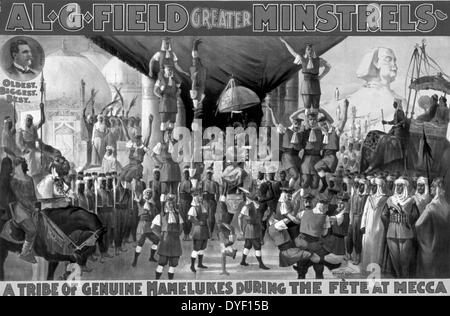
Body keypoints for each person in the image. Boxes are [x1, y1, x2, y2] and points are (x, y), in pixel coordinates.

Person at [381, 176, 420, 278]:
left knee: (404, 259)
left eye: (401, 186)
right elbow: (383, 215)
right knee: (395, 258)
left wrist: (407, 221)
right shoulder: (390, 200)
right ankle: (398, 278)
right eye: (397, 186)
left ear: (405, 187)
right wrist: (389, 224)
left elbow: (416, 215)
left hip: (406, 232)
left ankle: (404, 278)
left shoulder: (411, 200)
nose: (398, 188)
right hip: (392, 232)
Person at [280, 39, 331, 115]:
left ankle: (315, 125)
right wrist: (285, 42)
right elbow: (293, 52)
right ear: (306, 51)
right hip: (306, 86)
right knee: (307, 108)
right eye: (308, 49)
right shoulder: (302, 59)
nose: (310, 51)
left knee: (316, 108)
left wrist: (321, 76)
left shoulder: (318, 60)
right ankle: (307, 125)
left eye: (311, 49)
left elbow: (328, 67)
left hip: (316, 85)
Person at [415, 178, 450, 278]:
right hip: (444, 245)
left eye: (433, 186)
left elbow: (418, 224)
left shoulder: (431, 207)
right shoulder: (448, 206)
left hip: (432, 245)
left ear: (438, 189)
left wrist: (425, 236)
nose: (430, 188)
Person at [315, 100, 349, 192]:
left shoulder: (335, 132)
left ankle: (329, 186)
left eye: (325, 124)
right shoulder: (323, 135)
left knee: (322, 170)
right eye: (322, 125)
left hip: (331, 157)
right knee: (320, 170)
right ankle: (326, 184)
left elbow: (343, 120)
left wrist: (345, 108)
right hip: (325, 157)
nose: (324, 127)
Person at [10, 157, 38, 263]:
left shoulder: (30, 179)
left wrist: (36, 207)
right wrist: (31, 207)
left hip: (31, 208)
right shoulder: (14, 180)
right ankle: (24, 253)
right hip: (20, 210)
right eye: (22, 164)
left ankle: (33, 249)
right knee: (32, 230)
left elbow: (33, 196)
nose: (24, 165)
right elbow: (19, 198)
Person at [360, 176, 388, 272]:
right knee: (368, 245)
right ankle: (366, 266)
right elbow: (365, 212)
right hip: (368, 227)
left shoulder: (385, 199)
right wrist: (362, 225)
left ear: (379, 187)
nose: (372, 188)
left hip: (379, 227)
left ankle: (375, 268)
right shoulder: (369, 198)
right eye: (372, 186)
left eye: (375, 186)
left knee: (377, 247)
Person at [152, 194, 183, 280]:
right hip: (165, 240)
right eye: (169, 203)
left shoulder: (177, 215)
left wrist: (177, 234)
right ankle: (156, 280)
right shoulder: (161, 215)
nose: (171, 205)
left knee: (174, 262)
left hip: (175, 240)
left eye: (172, 203)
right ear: (166, 204)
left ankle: (170, 281)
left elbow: (181, 227)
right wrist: (160, 236)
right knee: (162, 261)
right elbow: (154, 227)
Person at [238, 188, 270, 270]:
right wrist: (241, 230)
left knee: (248, 245)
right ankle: (261, 264)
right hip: (252, 229)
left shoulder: (256, 205)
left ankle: (243, 261)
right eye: (256, 197)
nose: (258, 198)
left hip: (253, 228)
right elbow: (240, 217)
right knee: (257, 246)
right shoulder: (248, 207)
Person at [152, 125, 181, 198]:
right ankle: (162, 208)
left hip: (174, 168)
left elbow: (181, 154)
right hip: (165, 168)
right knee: (164, 190)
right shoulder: (161, 144)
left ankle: (172, 207)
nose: (169, 135)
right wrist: (160, 164)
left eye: (171, 133)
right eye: (168, 133)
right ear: (165, 134)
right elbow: (153, 155)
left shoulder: (175, 144)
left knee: (173, 190)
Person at [120, 115, 152, 182]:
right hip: (130, 165)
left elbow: (148, 135)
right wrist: (122, 123)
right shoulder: (131, 145)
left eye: (139, 138)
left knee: (128, 176)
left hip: (137, 167)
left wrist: (150, 122)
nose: (137, 140)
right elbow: (126, 134)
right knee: (121, 175)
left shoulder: (143, 147)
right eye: (136, 138)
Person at [132, 188, 159, 267]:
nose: (149, 194)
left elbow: (155, 214)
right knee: (140, 243)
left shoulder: (152, 204)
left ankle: (151, 257)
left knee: (156, 240)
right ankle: (135, 260)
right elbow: (138, 200)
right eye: (147, 192)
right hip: (143, 225)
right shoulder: (141, 201)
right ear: (144, 194)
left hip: (149, 226)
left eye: (150, 193)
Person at [17, 103, 46, 178]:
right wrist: (24, 149)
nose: (29, 121)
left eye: (31, 120)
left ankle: (40, 175)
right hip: (27, 150)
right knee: (30, 162)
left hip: (34, 148)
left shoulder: (34, 127)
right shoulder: (21, 130)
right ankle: (30, 176)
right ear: (25, 120)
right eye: (28, 120)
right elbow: (19, 142)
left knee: (42, 157)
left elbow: (42, 120)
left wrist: (42, 109)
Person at [346, 176, 369, 265]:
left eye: (362, 185)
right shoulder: (354, 195)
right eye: (359, 185)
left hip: (360, 218)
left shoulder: (366, 197)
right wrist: (350, 219)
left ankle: (358, 257)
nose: (360, 186)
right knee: (349, 236)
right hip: (353, 217)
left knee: (357, 238)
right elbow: (351, 208)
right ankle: (349, 254)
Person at [154, 64, 181, 131]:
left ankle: (169, 138)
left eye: (171, 70)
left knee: (172, 122)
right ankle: (163, 140)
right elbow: (155, 91)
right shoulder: (160, 80)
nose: (170, 71)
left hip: (173, 102)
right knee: (163, 122)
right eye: (168, 70)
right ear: (165, 70)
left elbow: (178, 90)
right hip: (165, 103)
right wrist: (161, 96)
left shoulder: (174, 81)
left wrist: (177, 93)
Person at [300, 112, 323, 192]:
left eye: (314, 120)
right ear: (308, 120)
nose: (312, 121)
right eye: (310, 120)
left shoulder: (320, 131)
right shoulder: (304, 131)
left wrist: (321, 111)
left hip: (317, 160)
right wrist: (304, 110)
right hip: (306, 159)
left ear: (316, 120)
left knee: (315, 185)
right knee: (304, 183)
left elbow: (331, 121)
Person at [188, 190, 210, 273]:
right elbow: (190, 218)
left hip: (204, 229)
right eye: (198, 196)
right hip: (198, 230)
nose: (200, 198)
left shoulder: (202, 206)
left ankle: (200, 264)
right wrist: (198, 223)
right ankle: (192, 265)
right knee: (196, 248)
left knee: (202, 247)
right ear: (194, 198)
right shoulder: (193, 208)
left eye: (200, 196)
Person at [96, 174, 115, 261]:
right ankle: (102, 254)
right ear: (99, 182)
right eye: (102, 182)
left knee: (108, 234)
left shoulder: (108, 192)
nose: (104, 183)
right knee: (101, 235)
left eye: (104, 181)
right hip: (101, 215)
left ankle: (106, 251)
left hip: (109, 215)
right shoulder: (97, 192)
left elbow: (111, 204)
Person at [190, 39, 207, 118]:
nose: (202, 107)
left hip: (197, 77)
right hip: (200, 78)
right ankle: (195, 45)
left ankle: (195, 44)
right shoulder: (199, 99)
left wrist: (194, 78)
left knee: (195, 59)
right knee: (196, 60)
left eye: (200, 107)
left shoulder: (195, 98)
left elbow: (193, 87)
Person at [201, 166, 220, 238]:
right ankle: (206, 233)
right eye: (208, 173)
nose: (209, 175)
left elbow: (217, 193)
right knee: (205, 217)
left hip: (212, 201)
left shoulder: (215, 183)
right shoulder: (203, 182)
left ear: (212, 174)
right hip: (205, 201)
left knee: (211, 217)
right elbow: (201, 192)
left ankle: (211, 232)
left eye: (210, 174)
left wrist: (217, 202)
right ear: (206, 174)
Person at [178, 166, 193, 240]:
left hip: (187, 202)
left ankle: (187, 234)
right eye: (185, 173)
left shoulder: (189, 182)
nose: (186, 175)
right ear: (183, 174)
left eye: (188, 173)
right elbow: (186, 191)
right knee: (184, 218)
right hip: (183, 202)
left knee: (187, 218)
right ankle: (185, 234)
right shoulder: (182, 182)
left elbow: (190, 192)